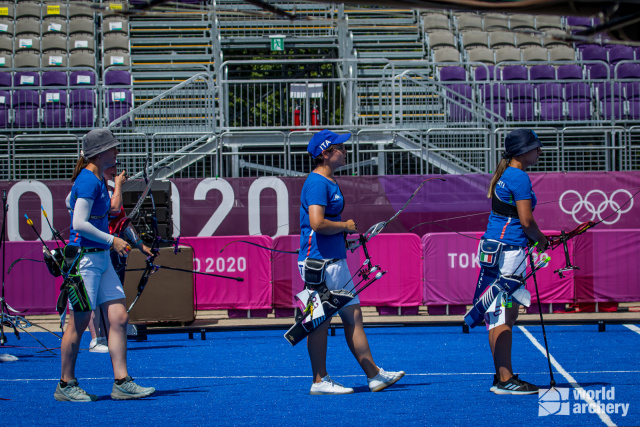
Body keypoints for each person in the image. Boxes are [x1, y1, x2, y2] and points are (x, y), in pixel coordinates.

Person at [298, 129, 405, 395]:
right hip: (318, 265)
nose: (344, 151)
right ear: (325, 153)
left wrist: (344, 236)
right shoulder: (316, 183)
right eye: (339, 148)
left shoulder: (329, 181)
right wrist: (344, 225)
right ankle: (319, 380)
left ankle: (374, 375)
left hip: (336, 261)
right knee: (319, 323)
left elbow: (325, 226)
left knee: (353, 317)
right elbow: (316, 223)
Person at [55, 129, 155, 402]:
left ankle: (122, 382)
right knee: (79, 322)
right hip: (85, 260)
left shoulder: (95, 179)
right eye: (113, 149)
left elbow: (72, 205)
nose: (117, 153)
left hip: (99, 259)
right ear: (99, 153)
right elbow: (78, 224)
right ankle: (66, 384)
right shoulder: (89, 180)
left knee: (119, 318)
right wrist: (113, 240)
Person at [474, 129, 548, 395]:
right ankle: (505, 380)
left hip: (495, 249)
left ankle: (502, 376)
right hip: (509, 253)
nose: (540, 151)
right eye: (535, 147)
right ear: (522, 151)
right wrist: (541, 240)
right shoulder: (519, 177)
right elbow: (526, 222)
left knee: (498, 314)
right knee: (504, 314)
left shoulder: (506, 174)